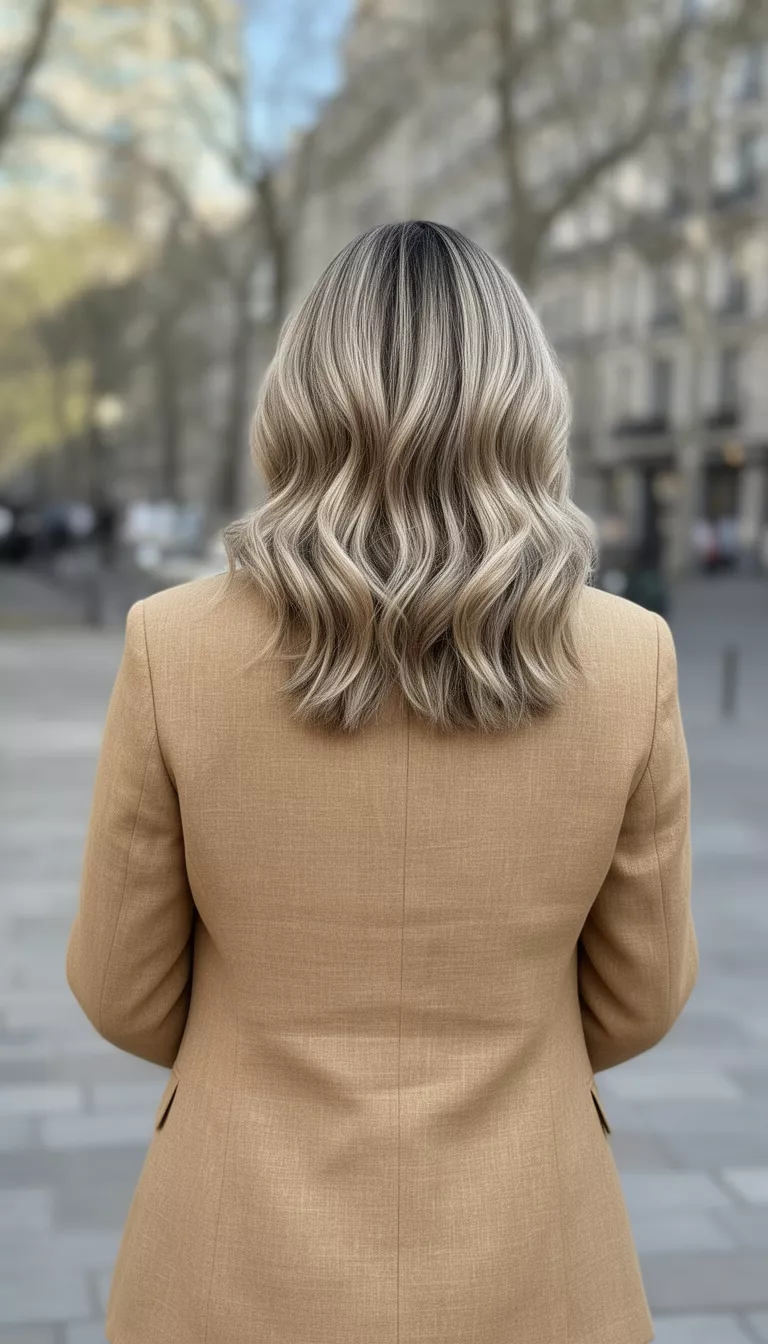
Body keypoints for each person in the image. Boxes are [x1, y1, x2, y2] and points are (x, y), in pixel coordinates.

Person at [65, 222, 697, 1344]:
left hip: (232, 1251)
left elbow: (123, 990)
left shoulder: (173, 645)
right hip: (531, 1250)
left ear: (300, 400)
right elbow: (640, 997)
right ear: (525, 401)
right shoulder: (629, 653)